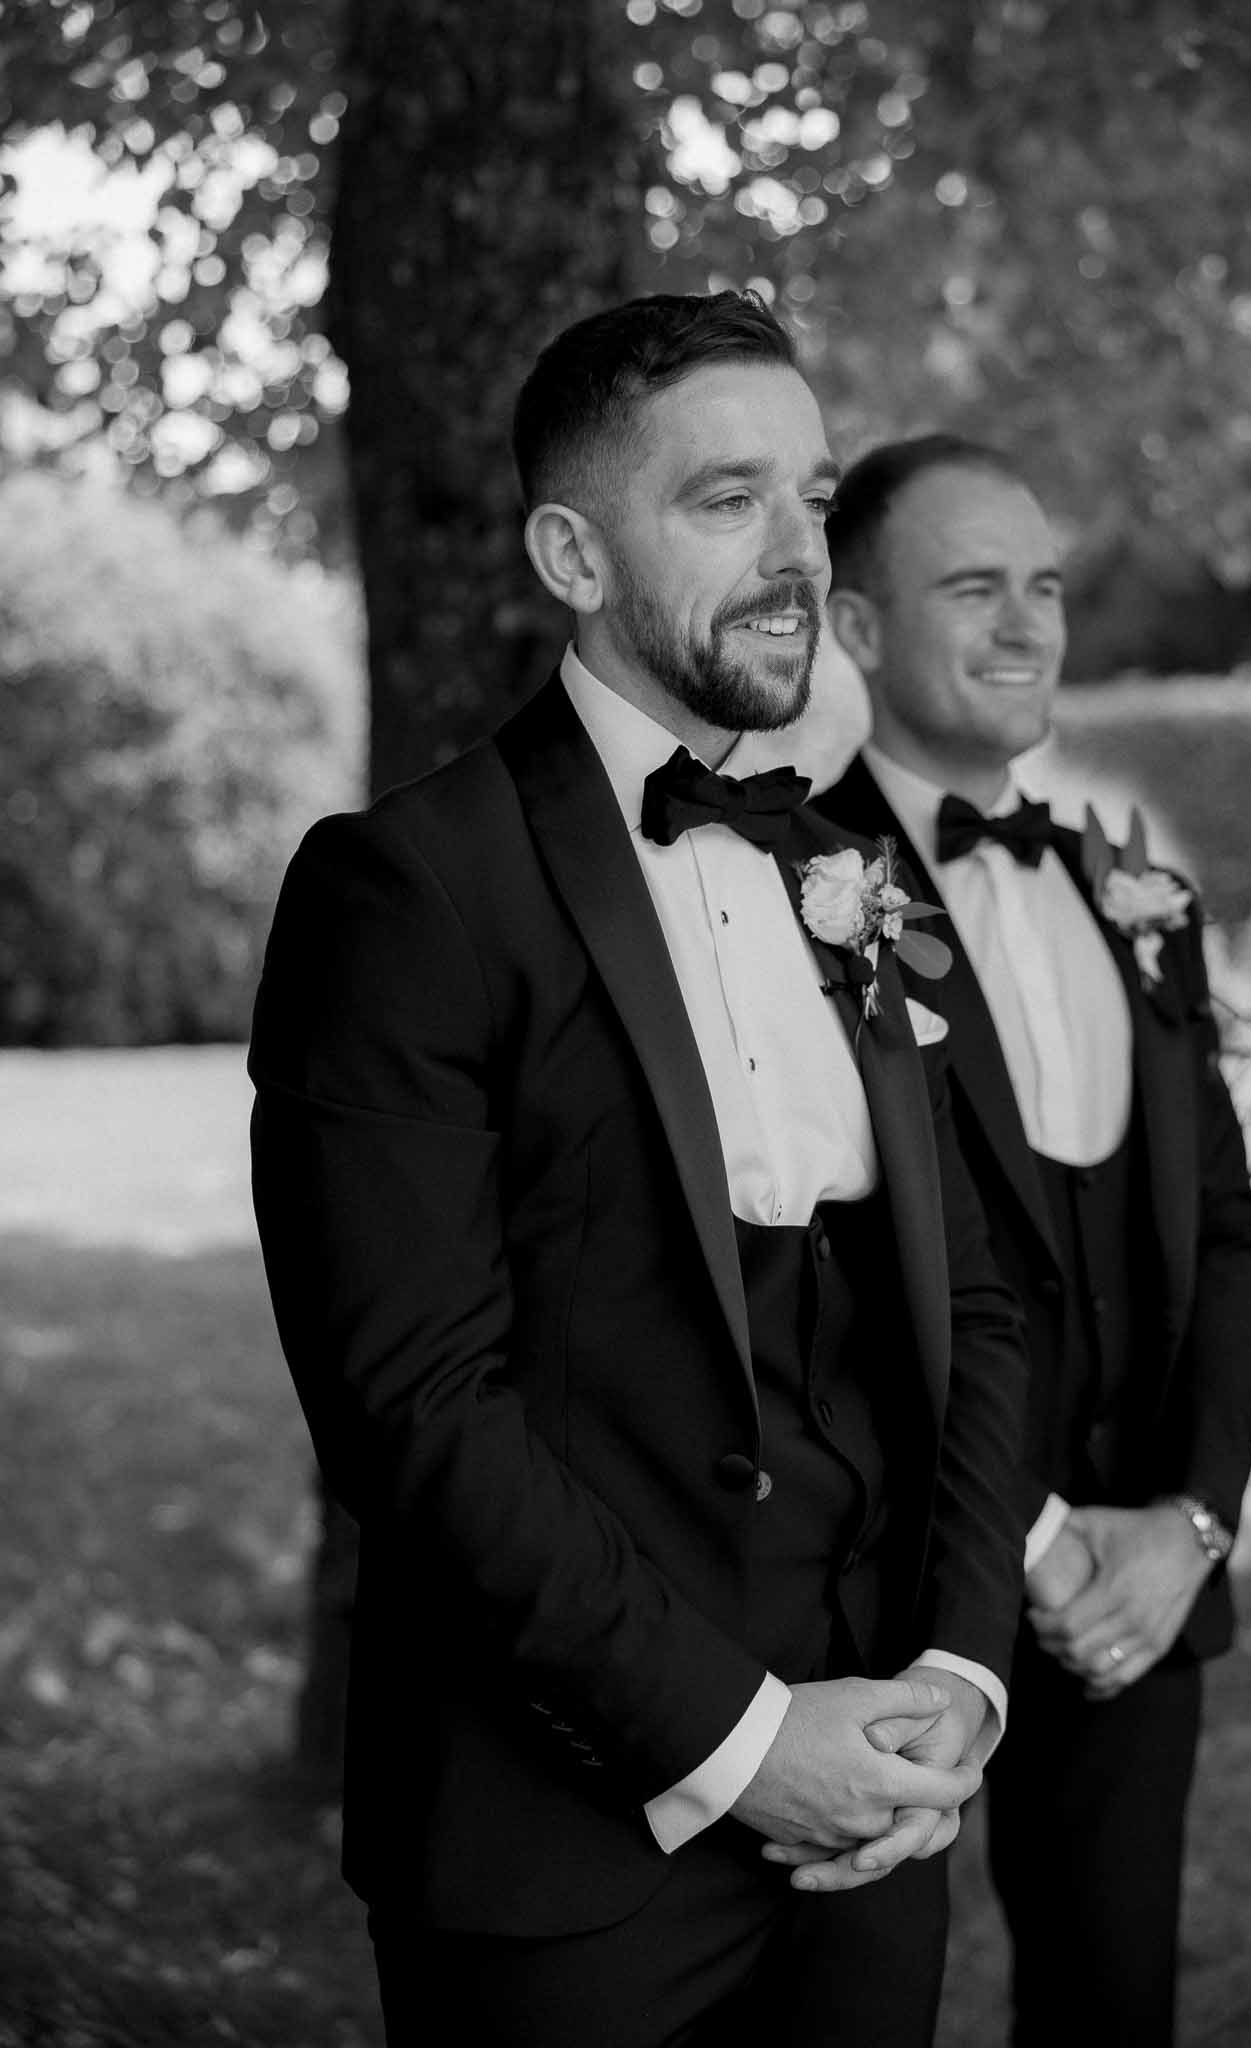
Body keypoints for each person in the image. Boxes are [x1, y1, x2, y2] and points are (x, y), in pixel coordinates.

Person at [248, 299, 1031, 2048]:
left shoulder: (854, 877)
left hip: (878, 1824)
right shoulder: (405, 892)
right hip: (563, 1847)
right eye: (726, 502)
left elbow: (970, 1307)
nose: (796, 561)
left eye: (815, 502)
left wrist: (958, 1680)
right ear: (571, 553)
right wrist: (748, 1746)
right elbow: (414, 1409)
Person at [818, 434, 1251, 2047]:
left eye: (1044, 587)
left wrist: (1191, 1522)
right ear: (858, 629)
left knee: (1112, 2001)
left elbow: (1220, 1226)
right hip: (894, 1591)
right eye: (969, 587)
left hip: (1143, 1596)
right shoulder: (800, 891)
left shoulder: (1132, 896)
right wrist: (1035, 1539)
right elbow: (833, 1282)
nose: (1025, 625)